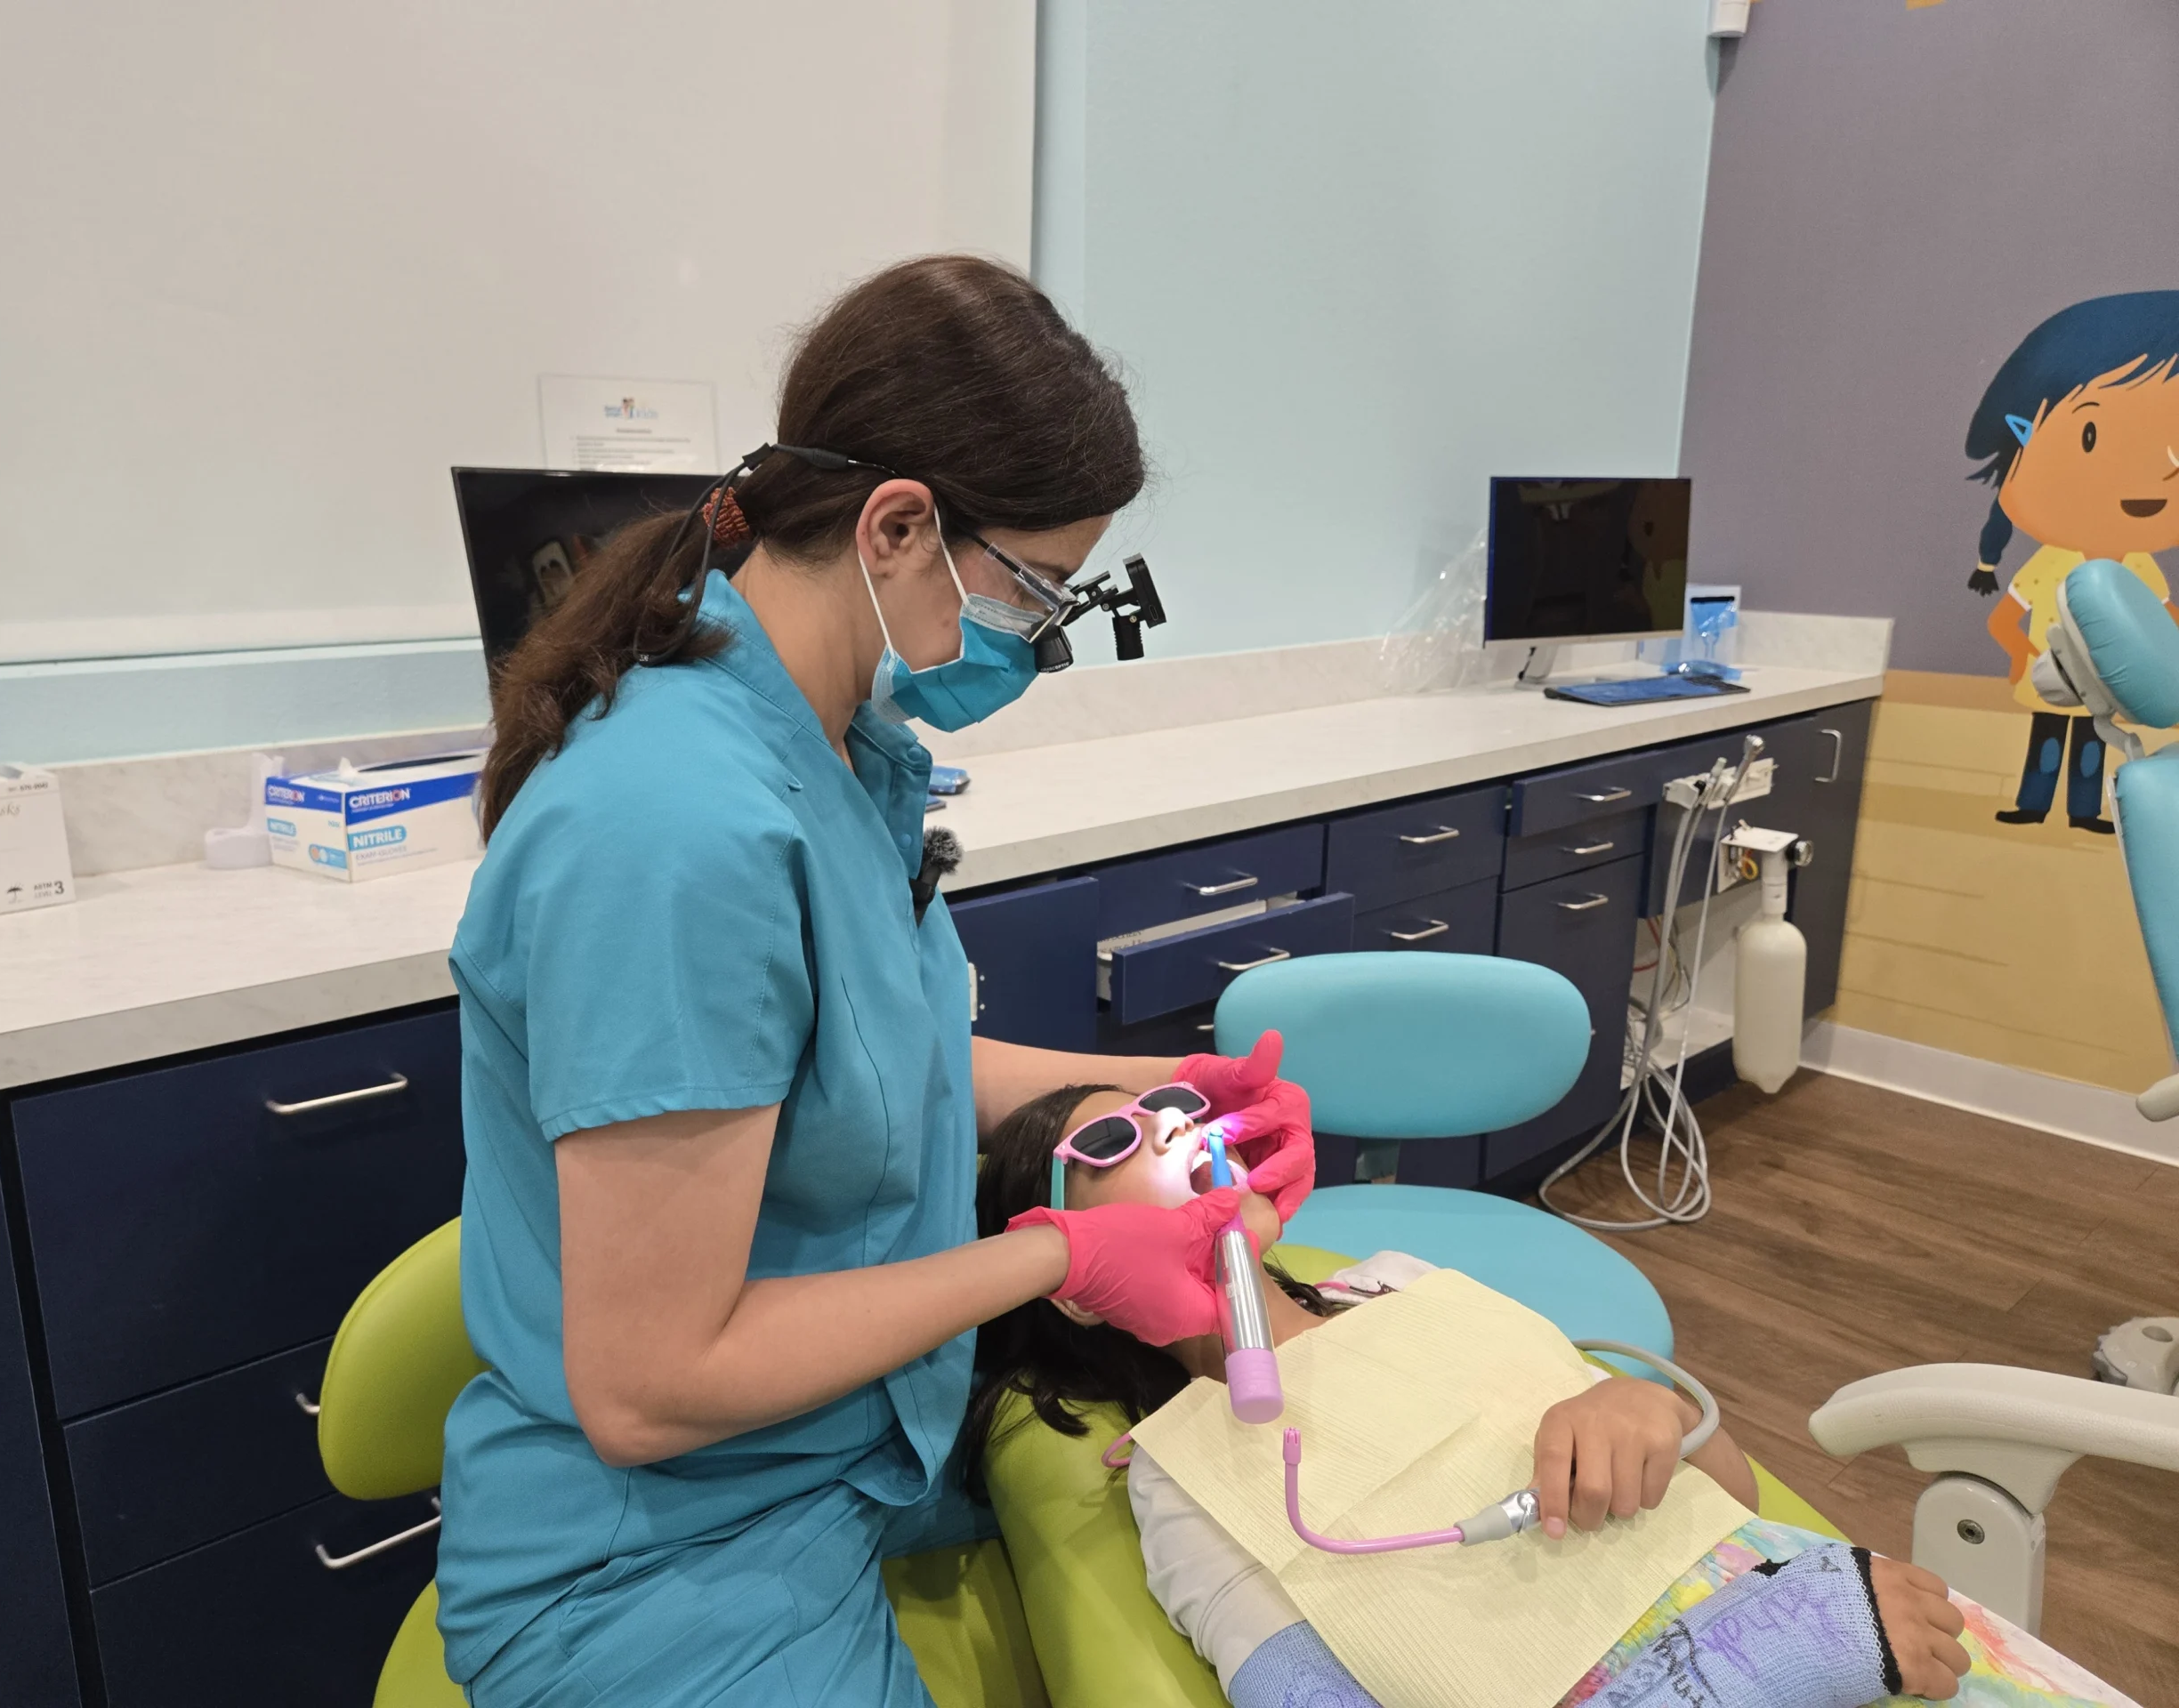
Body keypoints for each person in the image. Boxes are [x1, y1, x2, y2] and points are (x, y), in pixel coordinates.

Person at [439, 256, 1317, 1707]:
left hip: (859, 1439)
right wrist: (1062, 1256)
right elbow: (650, 1384)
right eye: (1037, 593)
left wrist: (1152, 1090)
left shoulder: (843, 750)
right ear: (895, 525)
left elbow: (868, 1070)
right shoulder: (672, 833)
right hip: (661, 1556)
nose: (1038, 643)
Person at [970, 1084, 2137, 1708]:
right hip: (1824, 1640)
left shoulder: (1404, 1283)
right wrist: (1773, 1660)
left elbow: (1729, 1498)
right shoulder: (1186, 1487)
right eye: (1121, 1135)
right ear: (1072, 1279)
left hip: (1864, 1615)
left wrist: (1657, 1418)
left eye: (1176, 1101)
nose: (1176, 1124)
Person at [1965, 291, 2179, 833]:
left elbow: (2163, 621)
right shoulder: (2049, 563)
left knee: (2091, 751)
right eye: (2092, 436)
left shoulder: (2138, 569)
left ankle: (2084, 812)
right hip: (2049, 683)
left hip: (2108, 695)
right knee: (2045, 746)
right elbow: (2003, 618)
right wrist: (2020, 658)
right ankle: (2033, 804)